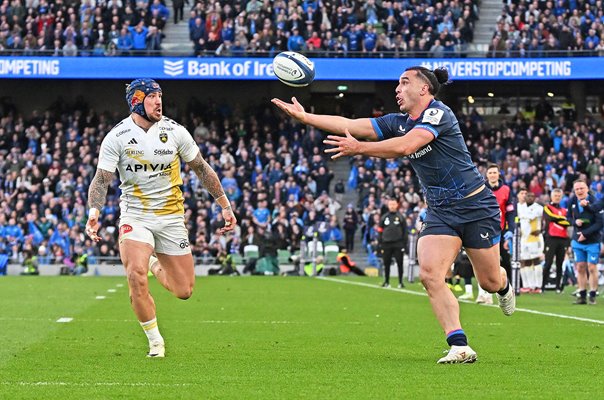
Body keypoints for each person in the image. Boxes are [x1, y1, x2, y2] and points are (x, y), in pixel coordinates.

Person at [272, 66, 515, 364]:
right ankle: (459, 344)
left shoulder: (439, 114)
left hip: (476, 207)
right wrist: (306, 117)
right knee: (429, 274)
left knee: (489, 282)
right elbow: (350, 123)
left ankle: (503, 285)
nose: (397, 89)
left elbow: (407, 146)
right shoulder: (397, 122)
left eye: (404, 82)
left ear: (424, 89)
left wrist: (360, 148)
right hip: (441, 212)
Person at [85, 79, 237, 358]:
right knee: (135, 275)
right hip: (135, 215)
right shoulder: (117, 136)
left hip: (170, 217)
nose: (159, 102)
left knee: (184, 290)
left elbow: (202, 169)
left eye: (160, 96)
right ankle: (155, 341)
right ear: (136, 100)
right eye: (152, 96)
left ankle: (154, 261)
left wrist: (225, 206)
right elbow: (101, 179)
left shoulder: (175, 131)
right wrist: (93, 212)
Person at [478, 163, 516, 303]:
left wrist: (511, 230)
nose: (493, 175)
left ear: (499, 174)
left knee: (505, 260)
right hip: (484, 230)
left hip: (501, 231)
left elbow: (511, 212)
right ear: (486, 175)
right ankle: (484, 294)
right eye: (490, 173)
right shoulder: (481, 189)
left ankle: (507, 290)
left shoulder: (506, 190)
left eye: (495, 172)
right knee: (484, 261)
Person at [568, 179, 602, 305]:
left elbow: (600, 223)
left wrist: (585, 234)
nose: (579, 191)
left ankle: (592, 294)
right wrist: (574, 222)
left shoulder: (595, 202)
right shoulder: (572, 201)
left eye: (582, 188)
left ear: (587, 188)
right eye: (577, 189)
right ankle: (582, 295)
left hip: (592, 240)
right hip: (577, 241)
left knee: (592, 267)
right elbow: (567, 217)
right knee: (580, 267)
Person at [542, 188, 570, 293]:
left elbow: (569, 222)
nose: (557, 197)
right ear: (551, 196)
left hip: (563, 239)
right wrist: (562, 220)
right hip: (551, 238)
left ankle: (558, 287)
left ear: (561, 197)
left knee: (560, 263)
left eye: (559, 196)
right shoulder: (547, 207)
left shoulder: (564, 210)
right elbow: (550, 218)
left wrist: (560, 220)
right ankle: (542, 286)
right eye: (555, 195)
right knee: (548, 263)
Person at [517, 191, 544, 293]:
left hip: (534, 238)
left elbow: (544, 220)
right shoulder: (521, 207)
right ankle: (528, 285)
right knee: (525, 261)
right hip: (524, 239)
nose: (530, 198)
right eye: (528, 196)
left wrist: (541, 230)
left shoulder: (538, 208)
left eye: (532, 196)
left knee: (536, 261)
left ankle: (538, 286)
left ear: (535, 198)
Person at [378, 198, 408, 288]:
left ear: (397, 205)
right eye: (390, 204)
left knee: (400, 263)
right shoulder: (384, 217)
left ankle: (400, 282)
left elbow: (405, 231)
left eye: (394, 204)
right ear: (388, 205)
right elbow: (380, 230)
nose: (392, 206)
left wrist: (404, 243)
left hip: (398, 243)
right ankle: (386, 281)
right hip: (386, 243)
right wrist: (380, 242)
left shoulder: (401, 217)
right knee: (386, 263)